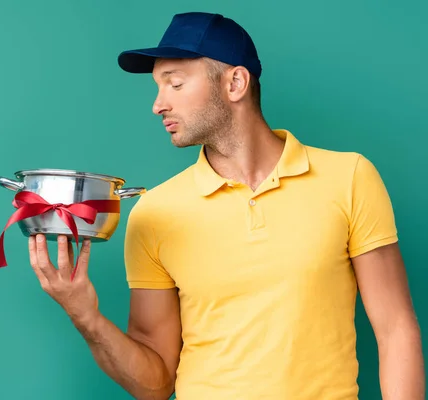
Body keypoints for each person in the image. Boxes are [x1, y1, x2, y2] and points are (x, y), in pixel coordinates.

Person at [27, 11, 425, 399]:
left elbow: (395, 330)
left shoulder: (350, 178)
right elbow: (156, 384)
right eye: (157, 87)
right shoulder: (155, 211)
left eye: (175, 84)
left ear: (235, 82)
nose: (158, 104)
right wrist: (86, 316)